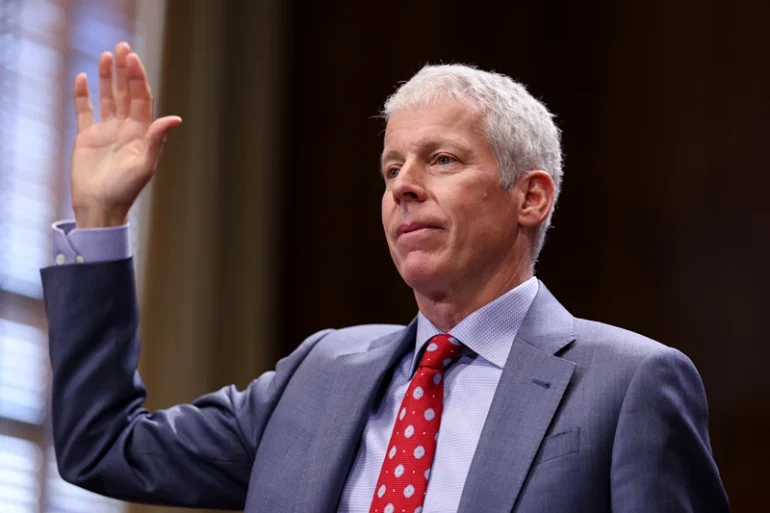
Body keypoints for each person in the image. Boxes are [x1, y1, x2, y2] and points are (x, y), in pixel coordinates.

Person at [41, 42, 729, 513]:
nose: (404, 187)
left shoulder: (628, 384)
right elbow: (104, 446)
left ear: (532, 197)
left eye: (442, 160)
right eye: (391, 168)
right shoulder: (320, 372)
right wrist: (100, 217)